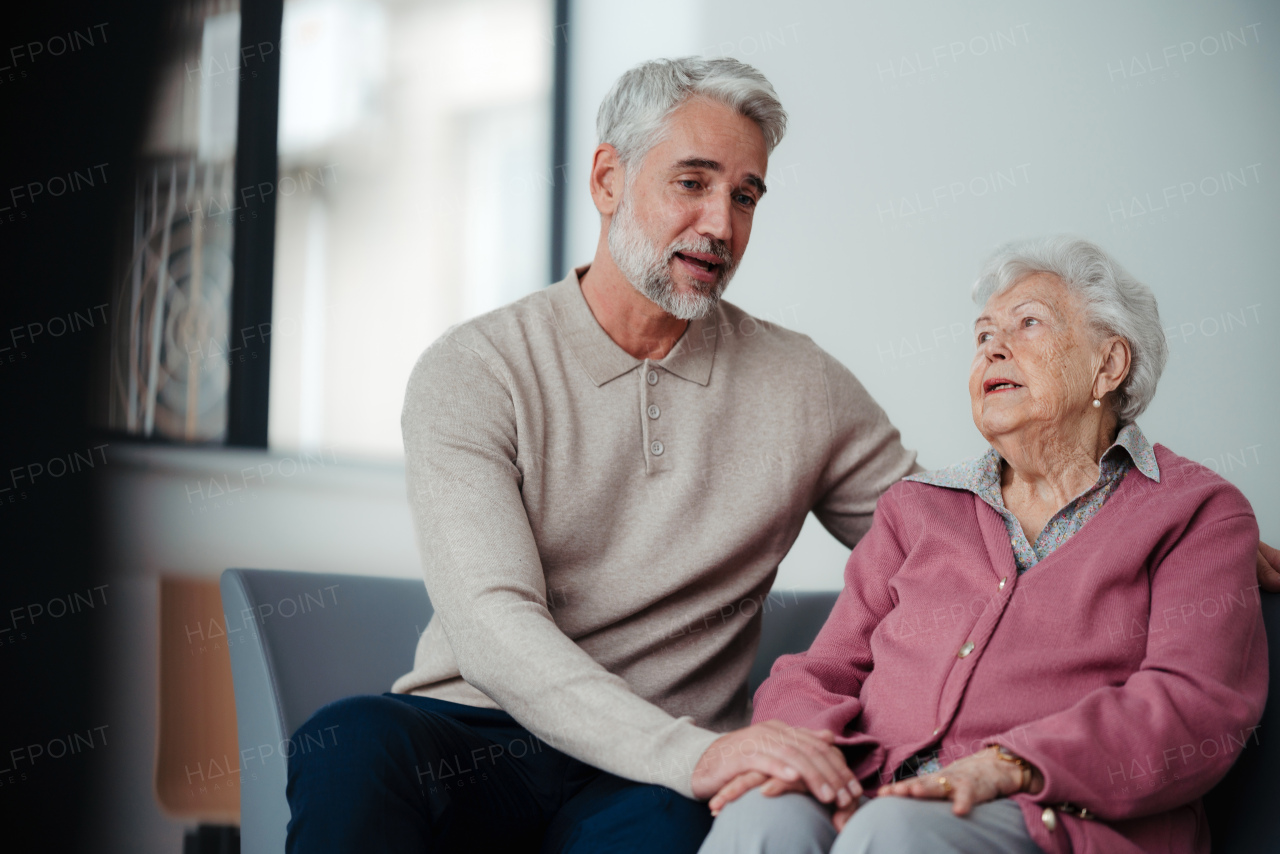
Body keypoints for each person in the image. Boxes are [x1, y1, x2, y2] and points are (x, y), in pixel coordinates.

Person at [284, 56, 1278, 853]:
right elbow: (493, 621)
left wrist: (1195, 534)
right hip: (487, 730)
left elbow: (951, 528)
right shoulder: (474, 368)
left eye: (746, 194)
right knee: (345, 741)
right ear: (605, 178)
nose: (720, 224)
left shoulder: (800, 384)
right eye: (691, 183)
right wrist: (700, 754)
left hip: (665, 773)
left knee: (693, 825)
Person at [698, 236, 1268, 854]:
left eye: (1028, 324)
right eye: (982, 335)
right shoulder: (914, 511)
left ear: (1109, 364)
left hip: (1052, 819)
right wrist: (806, 758)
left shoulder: (1195, 513)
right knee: (763, 815)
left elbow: (1191, 707)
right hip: (872, 799)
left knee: (893, 835)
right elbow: (820, 674)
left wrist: (1010, 763)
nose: (994, 346)